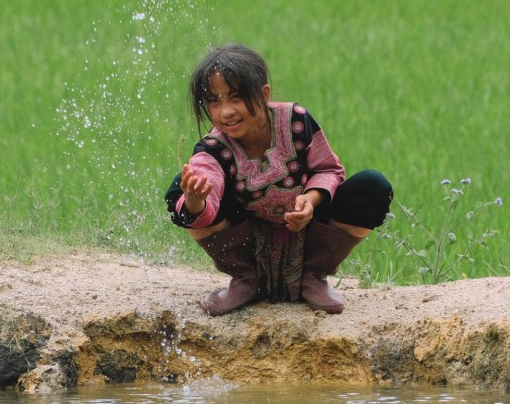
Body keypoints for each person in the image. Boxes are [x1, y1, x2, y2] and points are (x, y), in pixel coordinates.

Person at [165, 44, 393, 316]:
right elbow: (206, 182)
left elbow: (329, 170)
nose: (225, 111)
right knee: (179, 191)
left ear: (263, 95)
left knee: (373, 187)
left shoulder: (296, 120)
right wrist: (195, 202)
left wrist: (310, 200)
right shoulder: (212, 148)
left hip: (309, 230)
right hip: (248, 238)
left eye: (235, 97)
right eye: (214, 101)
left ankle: (314, 275)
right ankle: (245, 278)